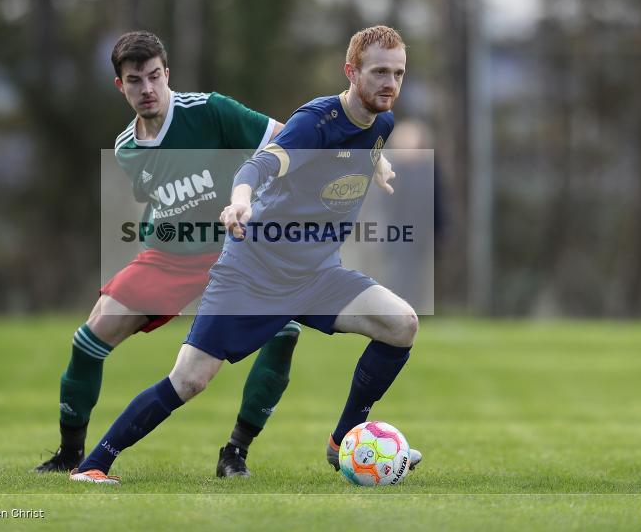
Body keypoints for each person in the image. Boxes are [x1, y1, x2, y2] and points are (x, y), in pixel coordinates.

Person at [70, 25, 421, 485]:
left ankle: (343, 441)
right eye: (379, 72)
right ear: (351, 72)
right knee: (189, 380)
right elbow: (261, 162)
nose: (390, 84)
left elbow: (362, 143)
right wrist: (240, 199)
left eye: (398, 73)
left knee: (402, 325)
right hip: (253, 273)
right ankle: (93, 463)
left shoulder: (383, 122)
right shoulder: (314, 122)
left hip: (316, 275)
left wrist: (378, 160)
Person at [35, 30, 301, 478]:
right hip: (170, 254)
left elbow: (285, 139)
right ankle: (69, 455)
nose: (148, 89)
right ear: (120, 86)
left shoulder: (211, 110)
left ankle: (235, 451)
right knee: (89, 340)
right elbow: (159, 199)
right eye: (135, 80)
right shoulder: (127, 149)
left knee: (285, 331)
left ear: (168, 74)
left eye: (155, 76)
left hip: (239, 253)